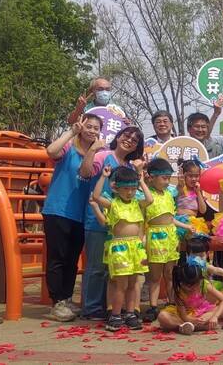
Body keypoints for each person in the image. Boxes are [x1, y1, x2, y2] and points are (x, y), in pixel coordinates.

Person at [78, 126, 144, 321]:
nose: (130, 140)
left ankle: (112, 309)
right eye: (127, 135)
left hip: (122, 229)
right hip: (99, 220)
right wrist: (92, 150)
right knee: (96, 267)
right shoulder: (103, 155)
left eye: (135, 139)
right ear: (118, 136)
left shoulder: (131, 167)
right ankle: (91, 309)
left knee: (115, 271)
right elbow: (85, 172)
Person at [42, 114, 102, 321]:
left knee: (72, 259)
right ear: (81, 126)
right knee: (57, 258)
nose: (92, 130)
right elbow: (50, 151)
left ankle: (66, 299)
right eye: (89, 126)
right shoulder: (68, 148)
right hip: (58, 210)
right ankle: (56, 303)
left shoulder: (97, 154)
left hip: (80, 214)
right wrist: (71, 132)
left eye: (96, 128)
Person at [91, 164, 152, 331]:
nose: (130, 192)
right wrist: (103, 176)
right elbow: (96, 197)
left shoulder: (137, 203)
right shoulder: (113, 203)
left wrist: (141, 182)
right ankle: (115, 315)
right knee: (121, 284)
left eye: (133, 189)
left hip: (136, 247)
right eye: (126, 189)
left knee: (134, 283)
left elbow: (150, 200)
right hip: (120, 248)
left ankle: (130, 313)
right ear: (116, 188)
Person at [141, 158, 191, 322]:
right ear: (152, 177)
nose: (167, 181)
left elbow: (171, 218)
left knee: (170, 273)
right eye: (164, 178)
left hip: (170, 236)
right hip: (155, 237)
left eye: (169, 178)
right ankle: (153, 306)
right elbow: (142, 219)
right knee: (155, 276)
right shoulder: (146, 196)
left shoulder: (169, 194)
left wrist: (186, 227)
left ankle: (170, 302)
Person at [157, 256, 223, 335]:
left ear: (200, 281)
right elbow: (184, 317)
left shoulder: (205, 285)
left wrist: (215, 316)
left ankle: (192, 327)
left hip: (204, 314)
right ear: (181, 282)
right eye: (187, 285)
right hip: (185, 317)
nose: (190, 288)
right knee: (162, 316)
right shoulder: (179, 293)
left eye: (194, 285)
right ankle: (183, 326)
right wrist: (192, 320)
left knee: (222, 309)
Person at [173, 159, 209, 240]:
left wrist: (198, 192)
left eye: (196, 176)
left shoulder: (198, 190)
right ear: (184, 176)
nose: (193, 179)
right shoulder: (182, 188)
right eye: (190, 176)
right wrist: (180, 183)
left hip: (193, 221)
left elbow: (203, 210)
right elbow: (179, 188)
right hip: (180, 221)